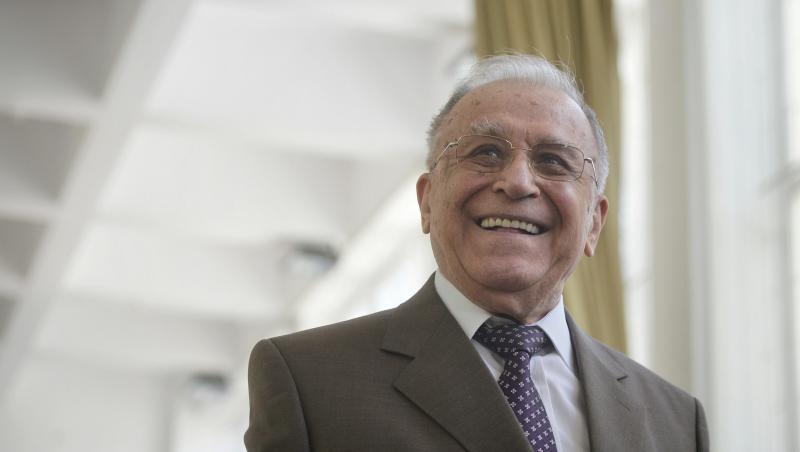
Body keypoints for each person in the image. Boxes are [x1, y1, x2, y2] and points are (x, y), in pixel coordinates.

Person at [244, 54, 709, 452]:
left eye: (552, 160)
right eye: (485, 153)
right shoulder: (309, 381)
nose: (518, 182)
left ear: (594, 223)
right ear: (427, 200)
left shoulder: (674, 420)